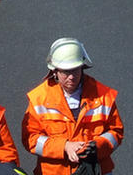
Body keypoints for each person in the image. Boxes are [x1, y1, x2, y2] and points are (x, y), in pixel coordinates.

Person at [21, 38, 124, 175]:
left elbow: (116, 132)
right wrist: (64, 147)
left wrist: (96, 147)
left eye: (75, 70)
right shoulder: (39, 98)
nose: (71, 77)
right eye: (65, 72)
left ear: (82, 67)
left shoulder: (103, 96)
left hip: (95, 169)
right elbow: (30, 138)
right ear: (55, 71)